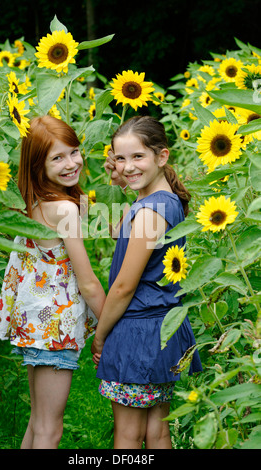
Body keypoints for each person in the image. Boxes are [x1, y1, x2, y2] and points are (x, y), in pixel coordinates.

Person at [0, 115, 106, 449]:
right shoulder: (64, 210)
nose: (71, 163)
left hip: (35, 328)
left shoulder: (35, 202)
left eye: (74, 151)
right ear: (38, 165)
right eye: (58, 158)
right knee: (50, 430)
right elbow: (88, 283)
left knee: (38, 423)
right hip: (53, 330)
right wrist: (112, 326)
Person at [91, 115, 202, 449]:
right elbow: (118, 229)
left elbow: (124, 286)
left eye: (137, 157)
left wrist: (100, 337)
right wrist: (117, 182)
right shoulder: (160, 201)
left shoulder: (151, 211)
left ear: (161, 156)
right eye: (120, 158)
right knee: (157, 432)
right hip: (162, 330)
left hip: (138, 333)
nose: (127, 166)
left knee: (128, 436)